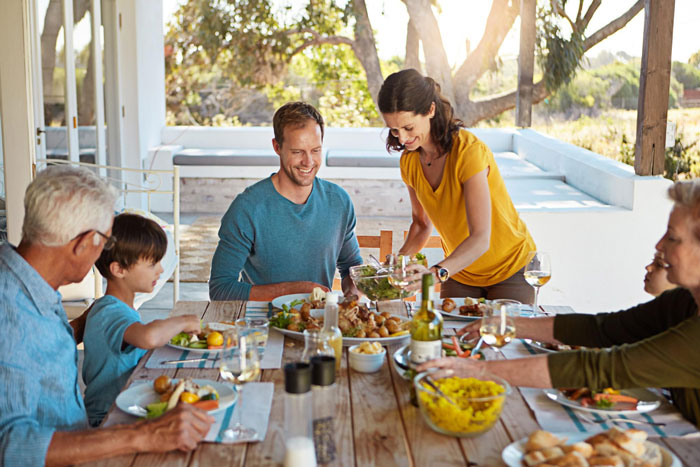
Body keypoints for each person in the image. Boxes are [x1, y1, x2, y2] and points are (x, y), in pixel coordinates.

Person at [419, 179, 700, 428]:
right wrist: (510, 325)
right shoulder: (684, 301)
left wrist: (478, 371)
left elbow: (603, 367)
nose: (659, 245)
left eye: (673, 237)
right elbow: (603, 329)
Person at [0, 165, 213, 466]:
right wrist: (142, 435)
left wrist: (85, 322)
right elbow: (10, 447)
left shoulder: (25, 282)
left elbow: (34, 345)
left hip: (86, 441)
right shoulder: (9, 309)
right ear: (84, 242)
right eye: (105, 240)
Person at [377, 69, 536, 302]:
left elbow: (481, 238)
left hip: (510, 268)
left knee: (505, 336)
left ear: (430, 110)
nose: (401, 138)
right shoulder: (409, 162)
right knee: (448, 338)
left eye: (408, 128)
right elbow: (421, 225)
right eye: (394, 129)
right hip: (460, 272)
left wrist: (433, 275)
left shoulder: (467, 152)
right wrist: (397, 263)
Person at [209, 102, 363, 301]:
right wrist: (296, 290)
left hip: (319, 325)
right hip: (262, 325)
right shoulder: (247, 208)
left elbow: (351, 266)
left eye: (315, 150)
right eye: (297, 152)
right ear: (277, 147)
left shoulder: (339, 201)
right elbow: (221, 289)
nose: (308, 162)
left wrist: (354, 291)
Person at [82, 213, 202, 426]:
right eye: (153, 263)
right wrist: (183, 321)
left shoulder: (118, 308)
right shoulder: (109, 312)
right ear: (119, 270)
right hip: (108, 417)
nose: (161, 269)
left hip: (127, 406)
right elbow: (148, 337)